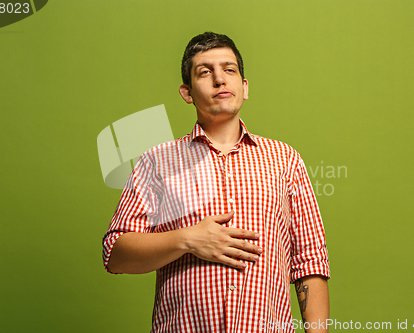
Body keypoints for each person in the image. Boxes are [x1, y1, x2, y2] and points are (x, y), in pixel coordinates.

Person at [103, 32, 330, 333]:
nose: (220, 80)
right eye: (205, 72)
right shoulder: (156, 162)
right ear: (187, 92)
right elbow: (115, 254)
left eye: (229, 69)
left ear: (244, 87)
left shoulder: (285, 160)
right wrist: (186, 239)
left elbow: (310, 262)